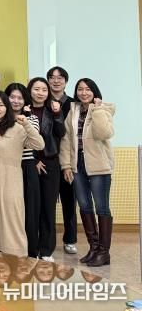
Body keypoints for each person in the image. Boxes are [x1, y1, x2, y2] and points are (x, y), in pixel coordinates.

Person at [0, 91, 44, 256]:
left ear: (7, 108)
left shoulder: (18, 128)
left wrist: (27, 124)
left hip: (10, 182)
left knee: (11, 217)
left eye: (1, 105)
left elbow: (39, 144)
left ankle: (16, 255)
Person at [60, 78, 115, 267]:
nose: (84, 93)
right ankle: (94, 248)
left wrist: (97, 109)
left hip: (99, 165)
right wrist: (66, 165)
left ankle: (104, 252)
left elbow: (104, 133)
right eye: (80, 89)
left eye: (88, 89)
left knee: (101, 207)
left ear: (94, 92)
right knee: (84, 206)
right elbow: (66, 139)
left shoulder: (104, 109)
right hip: (78, 165)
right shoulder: (73, 110)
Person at [27, 77, 66, 262]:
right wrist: (34, 160)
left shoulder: (53, 110)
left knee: (48, 207)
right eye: (36, 89)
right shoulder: (24, 110)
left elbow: (61, 133)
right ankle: (31, 248)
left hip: (51, 163)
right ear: (30, 90)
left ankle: (47, 250)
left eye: (44, 89)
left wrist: (58, 114)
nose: (40, 93)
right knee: (32, 207)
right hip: (30, 162)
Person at [5, 82, 41, 258]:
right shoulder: (0, 118)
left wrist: (24, 120)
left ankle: (31, 252)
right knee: (9, 210)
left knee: (30, 210)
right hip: (6, 167)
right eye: (12, 97)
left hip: (26, 166)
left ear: (25, 100)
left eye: (20, 98)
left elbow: (33, 142)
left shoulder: (31, 119)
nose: (16, 101)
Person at [47, 65, 78, 255]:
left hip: (69, 159)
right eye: (52, 77)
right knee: (47, 203)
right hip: (48, 158)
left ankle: (70, 239)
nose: (56, 80)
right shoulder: (43, 101)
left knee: (69, 201)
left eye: (60, 78)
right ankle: (47, 241)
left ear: (66, 81)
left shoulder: (74, 104)